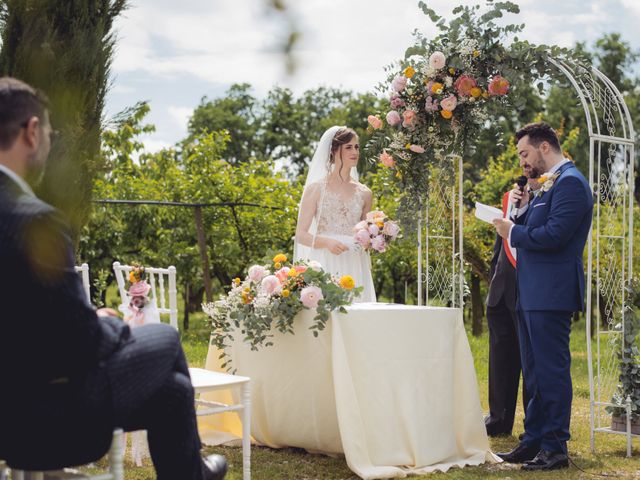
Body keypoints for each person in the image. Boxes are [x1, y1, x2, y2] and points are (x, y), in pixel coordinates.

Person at [0, 77, 227, 480]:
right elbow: (81, 344)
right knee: (165, 338)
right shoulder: (34, 220)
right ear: (32, 133)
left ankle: (192, 472)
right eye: (50, 133)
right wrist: (107, 322)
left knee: (172, 393)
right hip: (41, 423)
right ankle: (193, 471)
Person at [493, 122, 593, 471]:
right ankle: (532, 440)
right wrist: (518, 212)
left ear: (545, 147)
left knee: (551, 372)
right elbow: (534, 228)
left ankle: (555, 447)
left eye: (525, 153)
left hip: (552, 294)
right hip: (531, 292)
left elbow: (554, 236)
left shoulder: (571, 185)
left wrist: (513, 231)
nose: (523, 160)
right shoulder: (545, 186)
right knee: (533, 373)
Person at [294, 126, 376, 302]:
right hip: (325, 259)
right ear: (333, 151)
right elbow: (301, 235)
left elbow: (366, 235)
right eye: (348, 147)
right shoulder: (316, 189)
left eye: (356, 147)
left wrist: (378, 237)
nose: (355, 151)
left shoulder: (365, 193)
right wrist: (326, 242)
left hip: (355, 262)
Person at [484, 180, 538, 437]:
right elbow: (501, 244)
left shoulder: (542, 200)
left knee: (529, 361)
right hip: (500, 289)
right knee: (500, 359)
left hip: (527, 289)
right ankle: (498, 419)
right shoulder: (509, 198)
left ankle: (533, 424)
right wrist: (494, 278)